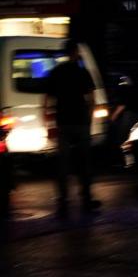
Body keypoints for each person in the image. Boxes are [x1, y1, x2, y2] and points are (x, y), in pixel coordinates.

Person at [44, 39, 99, 216]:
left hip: (63, 122)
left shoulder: (56, 72)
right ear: (76, 52)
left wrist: (48, 122)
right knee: (84, 161)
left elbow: (47, 100)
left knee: (62, 163)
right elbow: (92, 100)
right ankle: (86, 198)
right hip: (80, 122)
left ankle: (63, 201)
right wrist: (89, 120)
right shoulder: (83, 73)